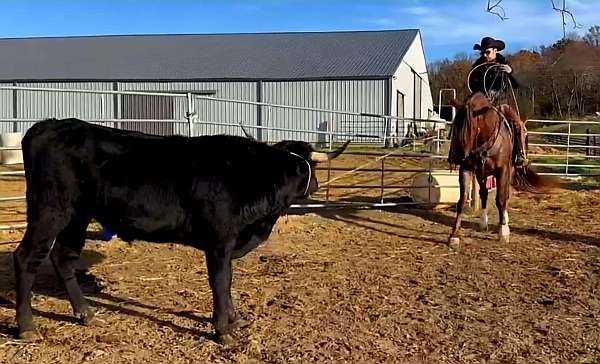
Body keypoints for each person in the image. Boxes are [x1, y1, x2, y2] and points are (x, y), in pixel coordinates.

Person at [449, 37, 528, 167]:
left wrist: (510, 72)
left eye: (488, 52)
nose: (485, 55)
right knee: (460, 121)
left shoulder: (505, 64)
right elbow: (472, 84)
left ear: (495, 50)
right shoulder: (477, 67)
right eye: (483, 53)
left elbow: (516, 85)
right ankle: (455, 153)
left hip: (499, 104)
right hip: (480, 104)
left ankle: (520, 154)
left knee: (518, 124)